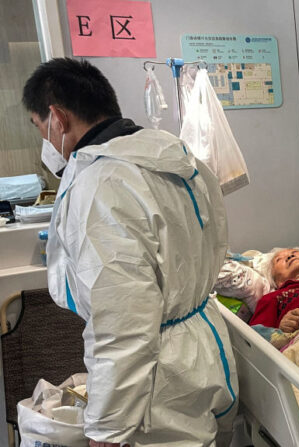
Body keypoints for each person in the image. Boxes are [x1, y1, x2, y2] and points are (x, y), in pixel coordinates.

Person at [23, 58, 237, 446]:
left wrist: (106, 429)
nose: (46, 142)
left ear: (57, 117)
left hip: (157, 378)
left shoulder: (101, 186)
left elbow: (122, 324)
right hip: (200, 348)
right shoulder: (178, 157)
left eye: (41, 129)